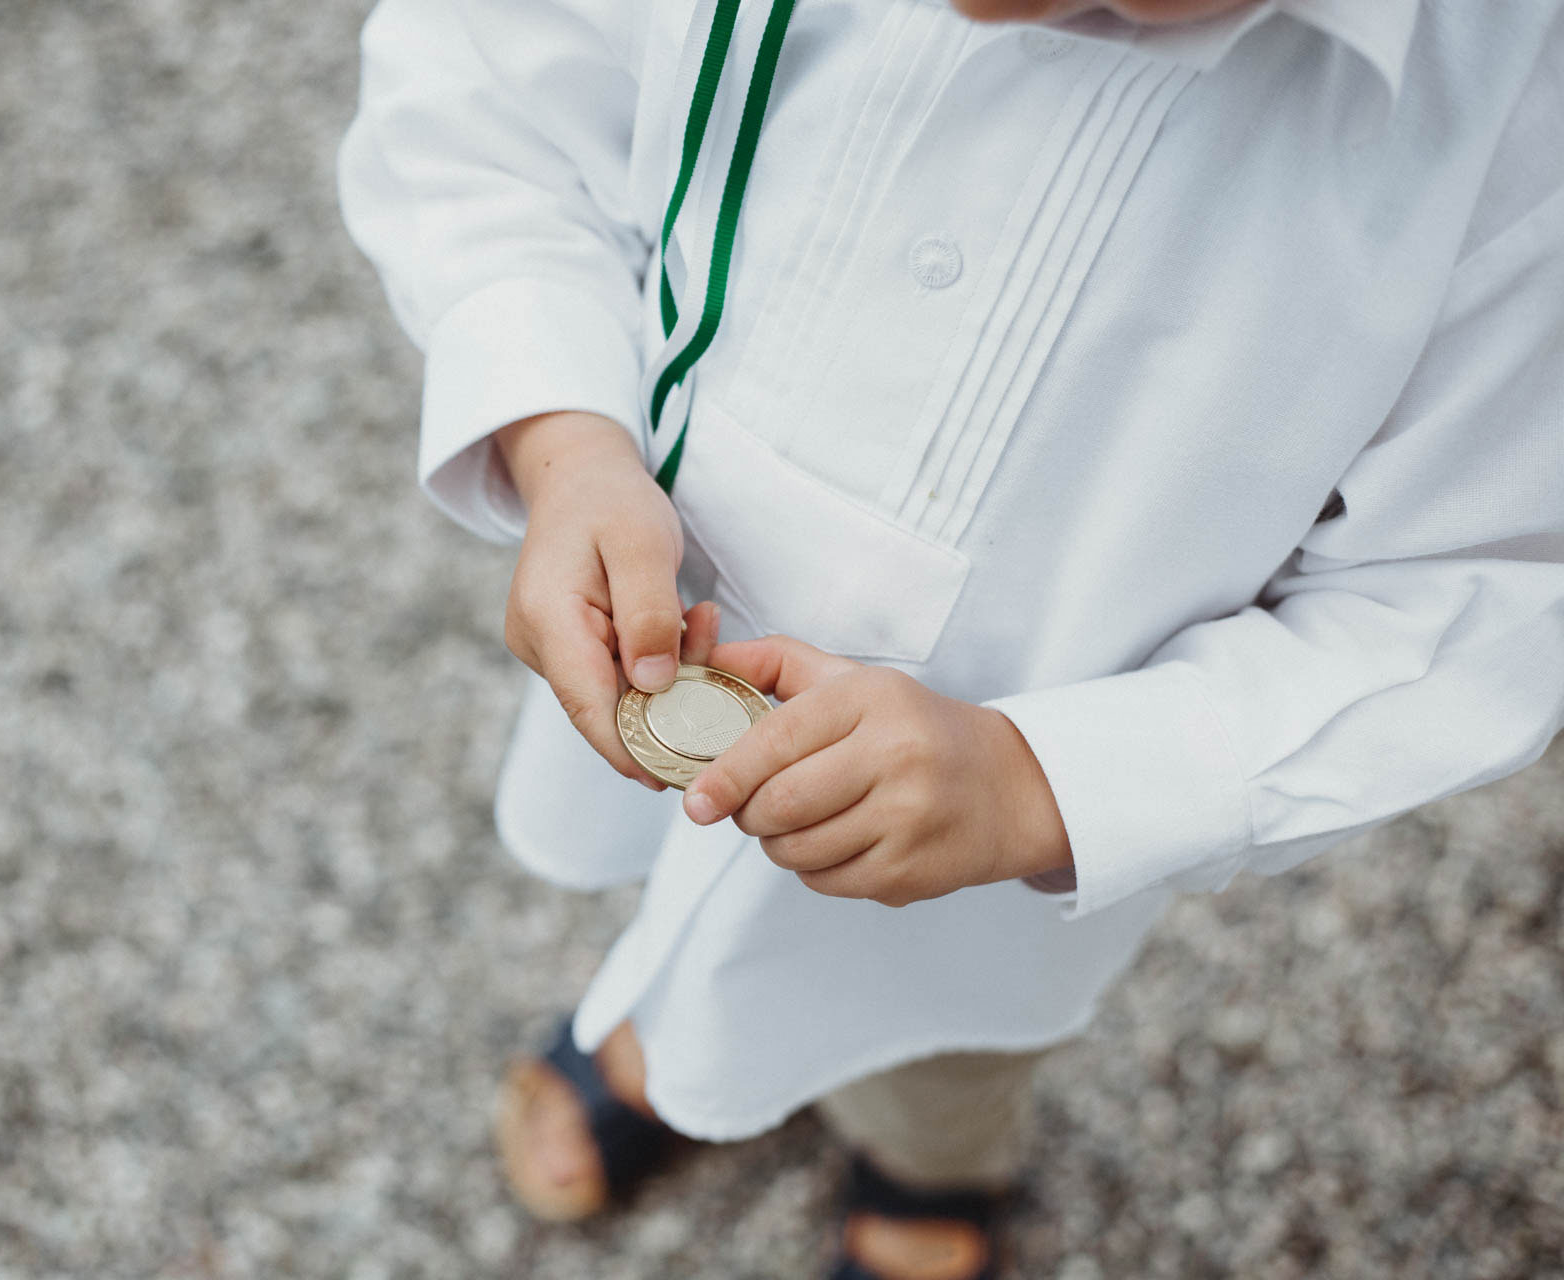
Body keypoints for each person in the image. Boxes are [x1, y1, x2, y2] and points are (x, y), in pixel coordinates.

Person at [335, 0, 1564, 1274]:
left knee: (933, 1042)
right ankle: (674, 1025)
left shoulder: (1518, 117)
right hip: (667, 615)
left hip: (1002, 836)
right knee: (674, 872)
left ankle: (930, 1164)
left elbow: (1473, 591)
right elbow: (486, 77)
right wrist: (564, 436)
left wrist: (1036, 783)